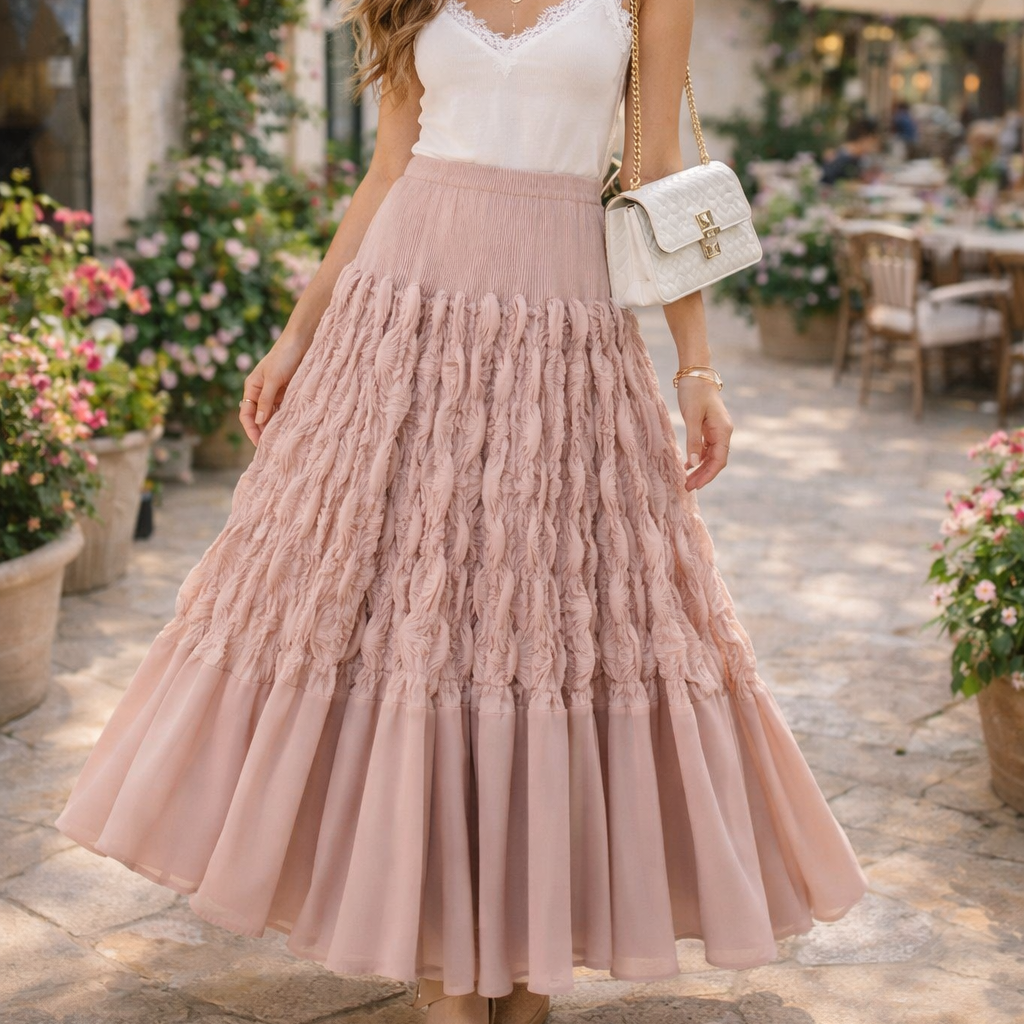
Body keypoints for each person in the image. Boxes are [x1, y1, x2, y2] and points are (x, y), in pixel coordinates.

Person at [54, 1, 870, 1021]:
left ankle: (524, 970)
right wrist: (299, 333)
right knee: (411, 625)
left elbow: (655, 167)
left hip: (563, 333)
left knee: (541, 635)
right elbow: (390, 166)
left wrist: (694, 365)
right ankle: (445, 969)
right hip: (402, 322)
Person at [820, 116, 881, 185]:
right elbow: (829, 182)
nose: (875, 145)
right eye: (873, 140)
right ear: (863, 137)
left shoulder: (857, 157)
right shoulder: (840, 157)